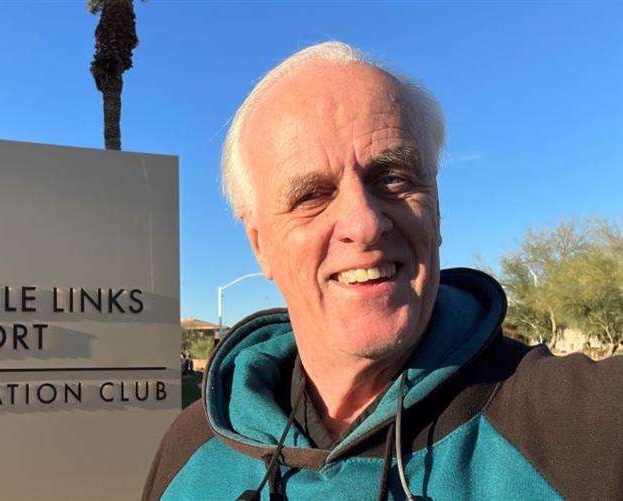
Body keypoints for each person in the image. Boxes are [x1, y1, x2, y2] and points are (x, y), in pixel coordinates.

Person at [143, 41, 622, 501]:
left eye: (392, 177)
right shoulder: (192, 450)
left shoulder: (591, 428)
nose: (364, 223)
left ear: (436, 209)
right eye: (312, 194)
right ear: (260, 245)